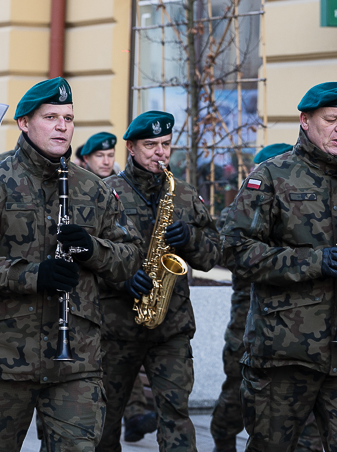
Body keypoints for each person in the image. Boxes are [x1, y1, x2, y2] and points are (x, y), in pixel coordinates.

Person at [0, 76, 144, 452]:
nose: (62, 126)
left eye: (67, 118)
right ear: (24, 122)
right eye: (51, 117)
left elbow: (130, 255)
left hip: (76, 362)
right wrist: (33, 275)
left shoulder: (95, 189)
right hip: (3, 359)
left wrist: (92, 250)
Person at [220, 82, 337, 451]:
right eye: (332, 119)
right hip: (285, 356)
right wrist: (312, 262)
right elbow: (235, 249)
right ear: (305, 121)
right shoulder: (272, 176)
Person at [98, 110, 219, 452]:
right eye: (150, 145)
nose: (160, 152)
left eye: (165, 144)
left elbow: (214, 256)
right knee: (103, 420)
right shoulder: (105, 193)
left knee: (176, 415)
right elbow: (86, 260)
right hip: (117, 328)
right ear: (131, 148)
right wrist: (121, 281)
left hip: (171, 327)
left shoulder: (183, 194)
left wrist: (192, 239)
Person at [209, 142, 324, 452]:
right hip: (248, 326)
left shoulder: (299, 213)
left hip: (293, 329)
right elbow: (233, 250)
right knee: (237, 395)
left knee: (304, 424)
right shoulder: (238, 212)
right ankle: (221, 433)